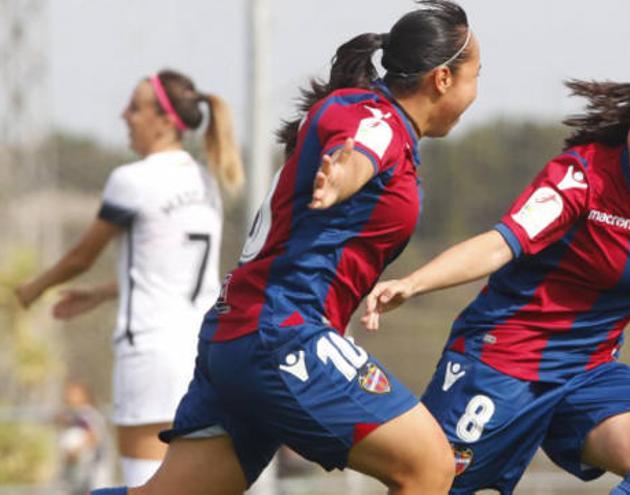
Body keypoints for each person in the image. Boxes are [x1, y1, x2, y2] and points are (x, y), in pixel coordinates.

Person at [90, 1, 480, 494]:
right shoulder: (375, 119)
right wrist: (344, 173)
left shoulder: (366, 115)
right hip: (283, 334)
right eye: (476, 76)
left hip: (241, 335)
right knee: (429, 466)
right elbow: (360, 149)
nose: (476, 92)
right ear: (443, 79)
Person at [363, 60, 630, 495]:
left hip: (588, 373)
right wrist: (414, 283)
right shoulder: (582, 179)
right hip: (503, 364)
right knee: (430, 485)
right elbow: (501, 244)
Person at [15, 69, 244, 486]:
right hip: (204, 356)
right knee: (193, 488)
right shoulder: (205, 181)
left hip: (151, 355)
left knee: (147, 484)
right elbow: (171, 270)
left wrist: (30, 289)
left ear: (164, 120)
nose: (124, 115)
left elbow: (81, 257)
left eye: (135, 107)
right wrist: (104, 293)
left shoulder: (132, 180)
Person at [56, 379, 108, 495]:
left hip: (92, 470)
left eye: (74, 393)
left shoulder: (88, 414)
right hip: (76, 471)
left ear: (85, 396)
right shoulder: (72, 415)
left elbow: (94, 436)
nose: (69, 397)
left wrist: (77, 449)